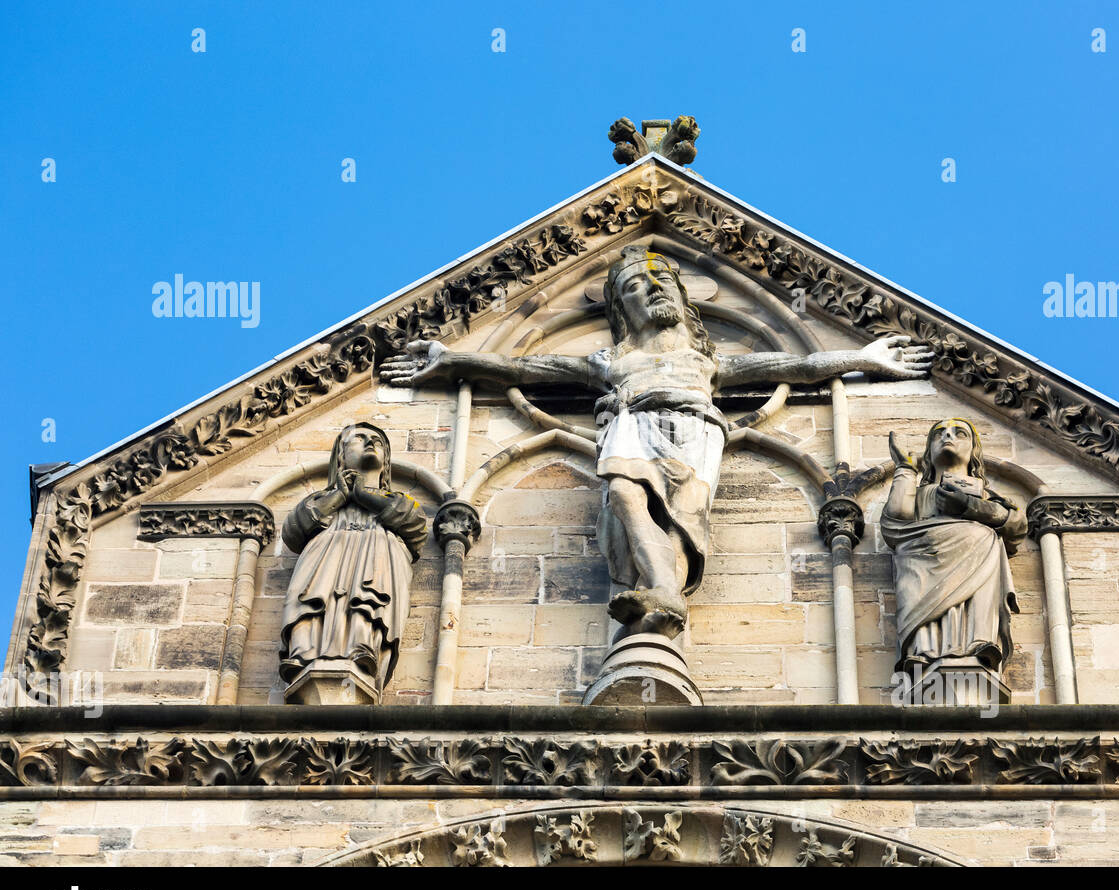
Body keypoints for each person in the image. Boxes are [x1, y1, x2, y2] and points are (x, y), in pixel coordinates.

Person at [380, 245, 933, 639]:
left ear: (680, 294)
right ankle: (664, 590)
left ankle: (664, 586)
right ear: (623, 308)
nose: (651, 288)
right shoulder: (615, 360)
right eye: (634, 286)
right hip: (630, 426)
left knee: (681, 519)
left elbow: (802, 363)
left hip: (693, 435)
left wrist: (863, 357)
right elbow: (525, 365)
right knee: (621, 491)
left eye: (660, 280)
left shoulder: (705, 359)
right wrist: (452, 358)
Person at [279, 423, 427, 696]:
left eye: (378, 441)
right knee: (314, 594)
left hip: (377, 551)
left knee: (367, 596)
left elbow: (416, 526)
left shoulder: (398, 499)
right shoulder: (322, 499)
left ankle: (364, 650)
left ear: (386, 463)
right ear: (341, 457)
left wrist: (364, 495)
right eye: (359, 438)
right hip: (327, 551)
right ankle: (304, 652)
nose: (370, 443)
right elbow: (293, 529)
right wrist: (339, 496)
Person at [883, 418, 1026, 677]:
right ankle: (923, 651)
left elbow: (1017, 525)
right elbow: (895, 522)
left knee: (984, 541)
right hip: (922, 557)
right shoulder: (920, 492)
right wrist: (905, 469)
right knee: (915, 568)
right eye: (939, 434)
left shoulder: (986, 494)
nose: (948, 437)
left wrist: (969, 506)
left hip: (977, 554)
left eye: (959, 433)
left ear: (973, 451)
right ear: (928, 452)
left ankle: (979, 643)